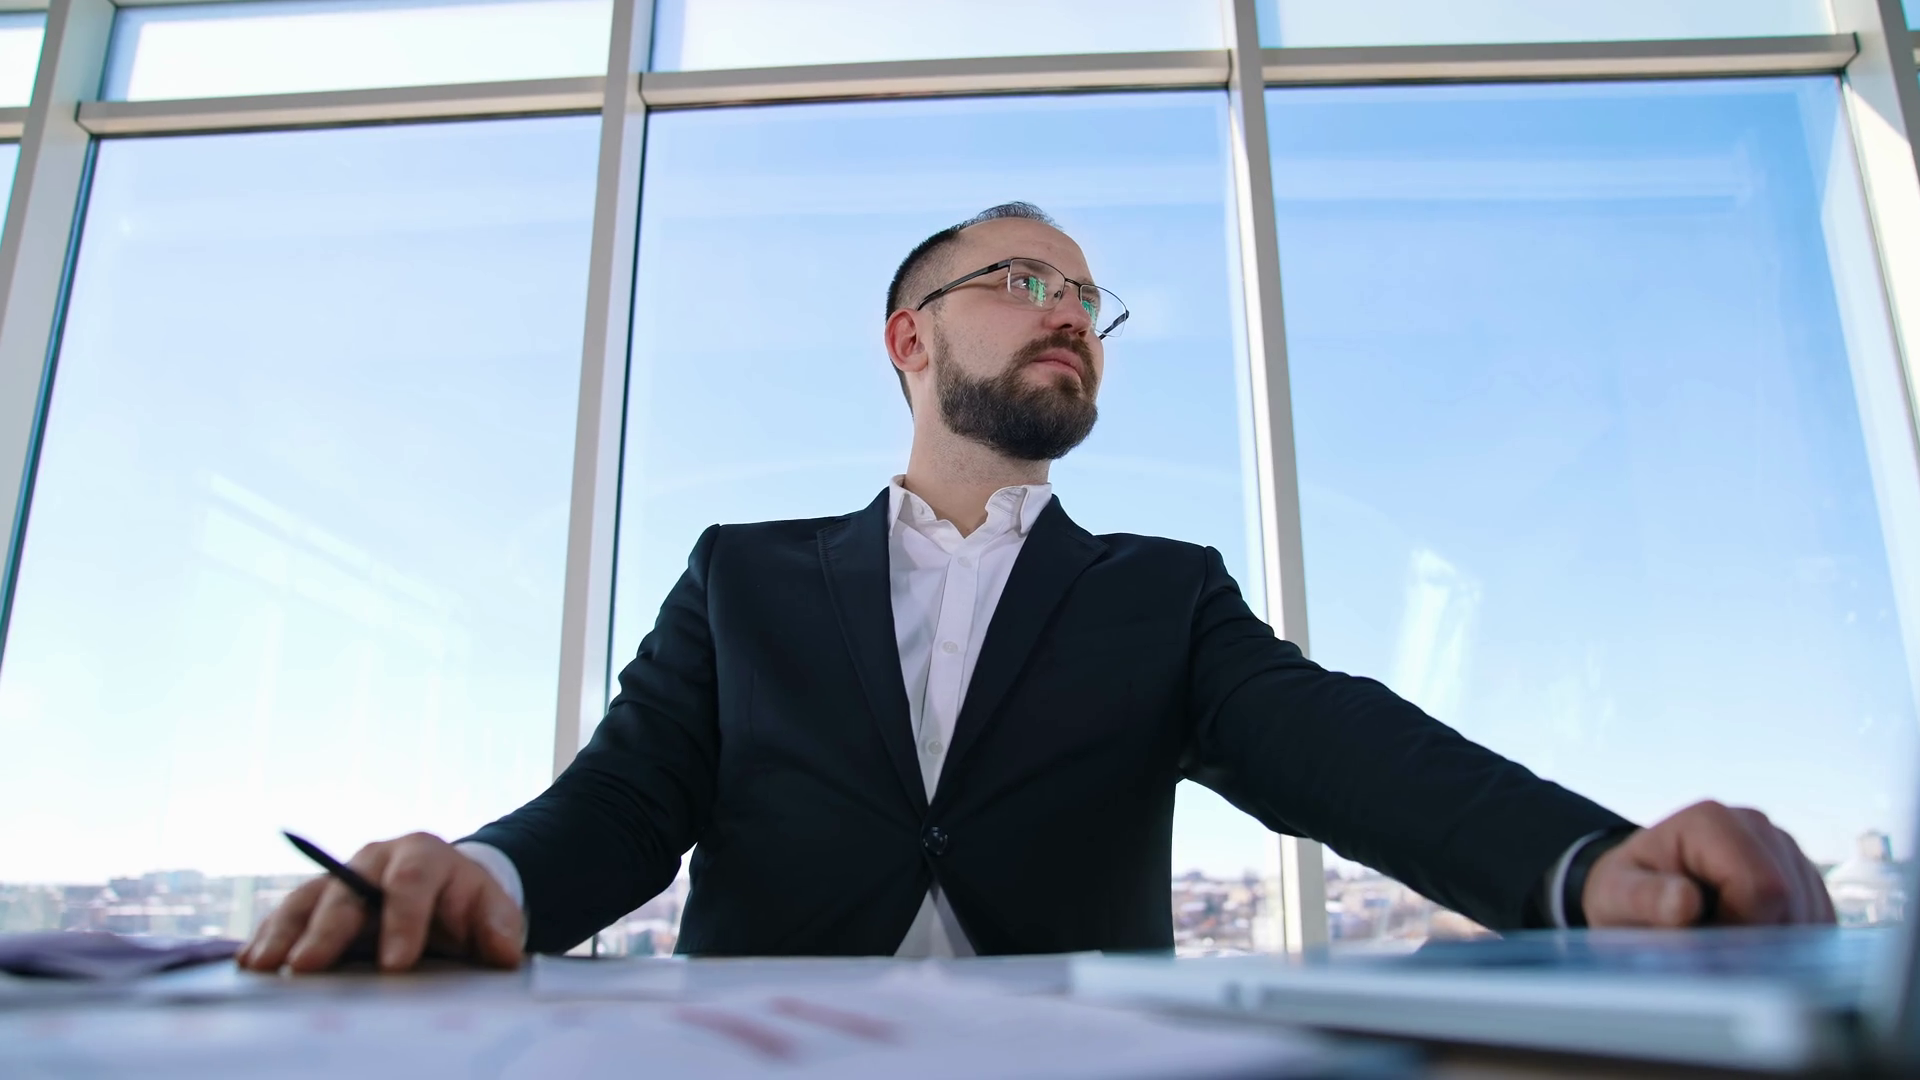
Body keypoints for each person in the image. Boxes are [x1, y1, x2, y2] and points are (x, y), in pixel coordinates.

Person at [239, 202, 1834, 974]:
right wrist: (482, 882)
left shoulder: (1163, 596)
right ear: (910, 338)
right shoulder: (740, 578)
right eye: (1022, 282)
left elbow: (1353, 753)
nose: (1071, 310)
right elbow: (621, 801)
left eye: (1085, 296)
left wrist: (1590, 866)